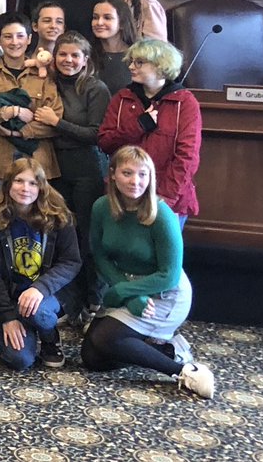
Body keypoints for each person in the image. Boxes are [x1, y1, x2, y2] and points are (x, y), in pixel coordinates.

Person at [80, 146, 214, 399]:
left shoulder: (162, 214)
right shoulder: (101, 207)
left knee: (106, 340)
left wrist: (122, 291)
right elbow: (100, 255)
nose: (135, 181)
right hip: (127, 286)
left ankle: (183, 370)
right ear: (113, 175)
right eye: (127, 173)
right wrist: (129, 295)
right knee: (92, 358)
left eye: (143, 174)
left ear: (151, 177)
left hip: (165, 292)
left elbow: (169, 275)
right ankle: (163, 349)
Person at [32, 31, 109, 322]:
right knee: (62, 239)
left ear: (85, 59)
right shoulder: (48, 83)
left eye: (75, 55)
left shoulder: (95, 88)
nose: (68, 60)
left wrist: (57, 123)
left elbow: (96, 134)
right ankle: (69, 302)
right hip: (54, 169)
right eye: (63, 54)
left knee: (88, 239)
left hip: (86, 171)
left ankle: (95, 302)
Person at [0, 158, 81, 370]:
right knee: (19, 360)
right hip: (12, 298)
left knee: (38, 313)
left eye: (33, 183)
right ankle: (29, 327)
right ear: (8, 184)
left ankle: (50, 338)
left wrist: (40, 288)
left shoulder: (59, 216)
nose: (25, 188)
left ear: (42, 187)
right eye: (19, 181)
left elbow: (71, 261)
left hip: (49, 295)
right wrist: (7, 316)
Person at [0, 13, 63, 216]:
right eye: (7, 37)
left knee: (38, 225)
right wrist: (10, 112)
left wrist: (19, 133)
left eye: (20, 36)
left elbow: (54, 120)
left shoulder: (44, 76)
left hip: (37, 164)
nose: (14, 42)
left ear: (29, 39)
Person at [98, 39, 201, 229]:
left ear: (160, 66)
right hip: (124, 198)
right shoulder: (122, 98)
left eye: (139, 62)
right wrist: (139, 125)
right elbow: (105, 142)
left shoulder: (185, 102)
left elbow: (187, 157)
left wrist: (163, 199)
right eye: (131, 61)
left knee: (162, 256)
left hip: (167, 200)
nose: (131, 67)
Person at [90, 0, 138, 94]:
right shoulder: (87, 55)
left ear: (122, 23)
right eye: (95, 17)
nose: (99, 22)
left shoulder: (137, 56)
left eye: (107, 18)